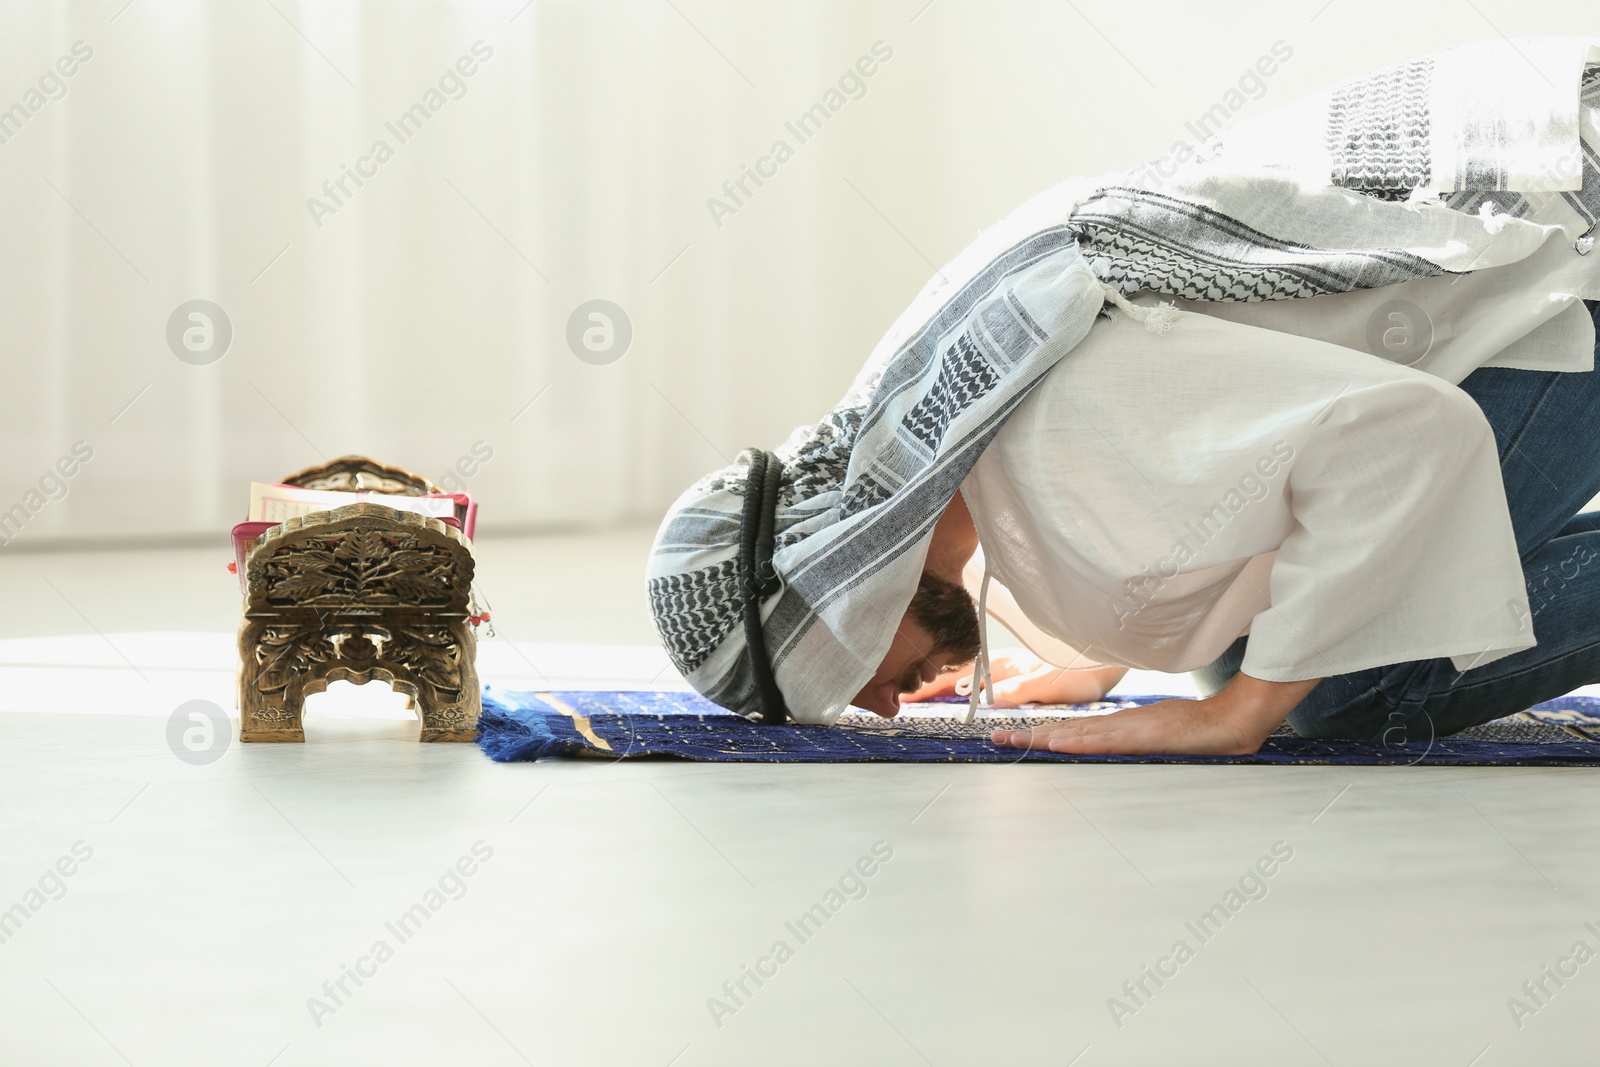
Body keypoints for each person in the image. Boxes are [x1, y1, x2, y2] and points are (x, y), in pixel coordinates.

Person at [645, 37, 1600, 755]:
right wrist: (1123, 646)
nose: (883, 705)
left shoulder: (1066, 429)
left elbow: (1403, 435)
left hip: (1561, 277)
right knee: (1241, 652)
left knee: (1330, 694)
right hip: (1526, 209)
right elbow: (1210, 473)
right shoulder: (956, 405)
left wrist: (1239, 717)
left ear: (837, 583)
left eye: (848, 674)